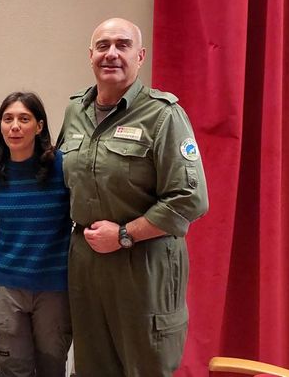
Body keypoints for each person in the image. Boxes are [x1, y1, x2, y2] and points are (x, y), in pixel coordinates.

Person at [59, 18, 209, 376]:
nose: (111, 53)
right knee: (92, 366)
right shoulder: (76, 110)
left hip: (144, 262)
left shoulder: (163, 115)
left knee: (146, 366)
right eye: (103, 46)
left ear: (140, 56)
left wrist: (124, 235)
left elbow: (190, 198)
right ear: (90, 55)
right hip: (87, 262)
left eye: (122, 45)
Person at [0, 92, 72, 377]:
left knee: (52, 366)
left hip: (53, 287)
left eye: (24, 119)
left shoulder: (61, 166)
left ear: (39, 126)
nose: (15, 126)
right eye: (7, 119)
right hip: (7, 286)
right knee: (13, 369)